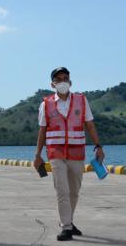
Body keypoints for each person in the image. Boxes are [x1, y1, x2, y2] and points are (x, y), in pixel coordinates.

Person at [33, 67, 105, 241]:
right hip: (56, 153)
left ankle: (69, 222)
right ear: (53, 84)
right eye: (59, 79)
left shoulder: (81, 100)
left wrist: (98, 146)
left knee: (74, 191)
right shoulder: (46, 104)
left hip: (76, 152)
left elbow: (90, 125)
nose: (63, 81)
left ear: (70, 81)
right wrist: (38, 155)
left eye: (65, 78)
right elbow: (42, 131)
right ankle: (65, 227)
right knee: (62, 191)